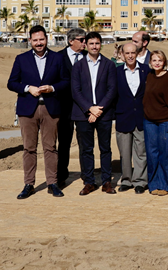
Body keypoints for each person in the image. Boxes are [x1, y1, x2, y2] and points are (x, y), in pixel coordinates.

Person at [7, 25, 70, 199]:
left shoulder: (58, 58)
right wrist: (27, 88)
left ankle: (52, 183)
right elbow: (11, 83)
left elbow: (66, 81)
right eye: (35, 40)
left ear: (46, 39)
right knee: (29, 148)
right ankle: (29, 184)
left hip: (51, 108)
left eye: (41, 39)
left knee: (50, 147)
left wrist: (52, 88)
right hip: (28, 109)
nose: (39, 43)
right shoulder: (21, 59)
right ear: (30, 41)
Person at [71, 31, 118, 195]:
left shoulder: (109, 65)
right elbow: (75, 91)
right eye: (91, 43)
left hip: (104, 113)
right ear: (86, 45)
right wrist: (90, 108)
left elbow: (112, 89)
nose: (94, 46)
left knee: (105, 149)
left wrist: (99, 109)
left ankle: (106, 182)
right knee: (86, 149)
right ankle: (89, 182)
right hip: (83, 114)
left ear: (100, 44)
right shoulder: (78, 66)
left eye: (97, 43)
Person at [115, 42, 149, 194]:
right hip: (123, 117)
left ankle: (140, 181)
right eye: (127, 53)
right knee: (125, 152)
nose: (130, 56)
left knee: (141, 152)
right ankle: (126, 180)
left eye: (132, 53)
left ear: (137, 54)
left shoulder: (146, 70)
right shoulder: (116, 72)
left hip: (141, 117)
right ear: (122, 54)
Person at [142, 49, 168, 196]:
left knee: (167, 154)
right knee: (152, 154)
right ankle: (154, 184)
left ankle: (167, 185)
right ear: (150, 62)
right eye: (154, 60)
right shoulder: (148, 76)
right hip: (149, 121)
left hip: (166, 120)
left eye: (160, 60)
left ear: (165, 62)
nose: (157, 63)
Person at [56, 27, 86, 187]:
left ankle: (87, 177)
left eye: (85, 39)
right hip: (64, 108)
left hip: (83, 108)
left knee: (84, 144)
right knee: (64, 143)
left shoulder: (88, 57)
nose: (84, 43)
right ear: (71, 41)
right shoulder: (58, 57)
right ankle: (61, 176)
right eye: (81, 40)